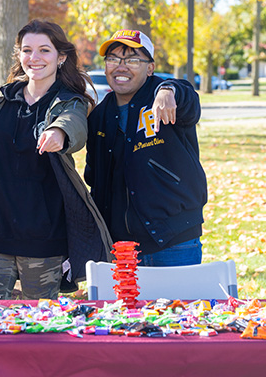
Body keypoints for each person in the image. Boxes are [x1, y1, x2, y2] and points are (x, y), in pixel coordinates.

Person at [0, 20, 112, 300]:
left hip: (45, 243)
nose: (35, 58)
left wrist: (59, 131)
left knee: (41, 329)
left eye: (45, 50)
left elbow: (75, 124)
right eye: (27, 50)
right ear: (19, 56)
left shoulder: (70, 101)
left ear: (61, 57)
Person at [84, 29, 207, 267]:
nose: (121, 67)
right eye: (113, 59)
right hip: (121, 248)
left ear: (150, 68)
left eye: (132, 60)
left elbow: (188, 99)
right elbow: (95, 179)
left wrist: (168, 91)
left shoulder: (166, 97)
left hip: (175, 240)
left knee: (178, 306)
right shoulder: (99, 116)